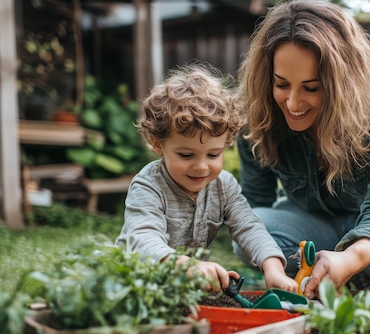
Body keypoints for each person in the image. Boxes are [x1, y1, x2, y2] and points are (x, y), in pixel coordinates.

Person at [233, 0, 370, 298]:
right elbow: (254, 206)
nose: (292, 102)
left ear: (343, 82)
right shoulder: (259, 118)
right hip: (308, 225)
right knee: (251, 232)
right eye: (281, 84)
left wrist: (351, 257)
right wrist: (269, 264)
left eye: (312, 88)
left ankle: (351, 271)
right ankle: (324, 272)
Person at [116, 63, 297, 293]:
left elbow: (249, 227)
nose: (201, 167)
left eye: (214, 154)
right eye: (186, 154)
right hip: (134, 285)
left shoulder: (224, 186)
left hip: (182, 289)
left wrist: (273, 267)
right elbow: (142, 239)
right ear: (158, 144)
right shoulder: (149, 186)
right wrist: (187, 266)